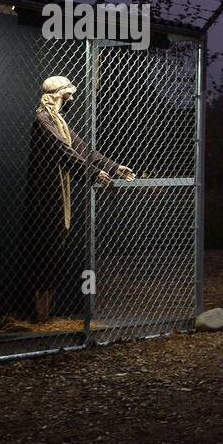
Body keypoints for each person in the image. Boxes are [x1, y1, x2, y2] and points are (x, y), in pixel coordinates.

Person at [21, 76, 136, 322]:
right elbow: (64, 150)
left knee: (55, 249)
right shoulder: (43, 120)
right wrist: (94, 173)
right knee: (45, 248)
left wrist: (115, 167)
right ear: (58, 93)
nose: (72, 97)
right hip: (45, 194)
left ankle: (45, 313)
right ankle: (38, 313)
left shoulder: (58, 120)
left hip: (57, 192)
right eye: (68, 93)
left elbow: (83, 149)